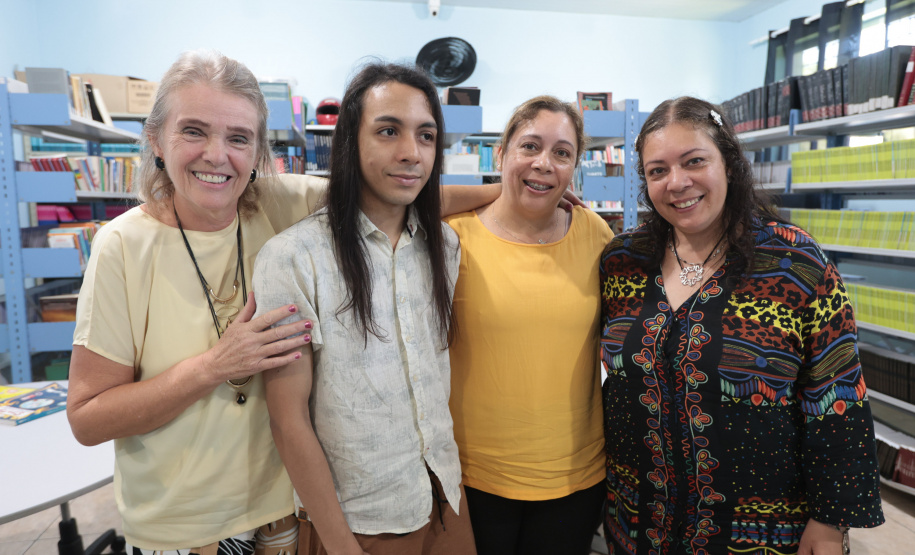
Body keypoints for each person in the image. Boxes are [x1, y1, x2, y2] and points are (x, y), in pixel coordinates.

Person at [66, 51, 498, 554]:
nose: (216, 155)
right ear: (156, 139)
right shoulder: (124, 246)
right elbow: (87, 418)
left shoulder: (274, 202)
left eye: (238, 138)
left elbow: (392, 187)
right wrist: (214, 365)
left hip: (282, 510)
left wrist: (514, 193)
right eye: (193, 131)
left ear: (257, 153)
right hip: (188, 522)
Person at [599, 96, 884, 555]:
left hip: (763, 533)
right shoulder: (623, 261)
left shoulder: (795, 264)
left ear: (729, 164)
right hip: (638, 522)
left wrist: (830, 521)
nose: (677, 182)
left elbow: (838, 395)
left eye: (694, 161)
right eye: (657, 170)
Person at [253, 62, 476, 555]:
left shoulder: (444, 245)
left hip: (444, 497)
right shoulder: (293, 258)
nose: (410, 153)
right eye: (388, 131)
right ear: (351, 141)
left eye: (426, 135)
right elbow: (288, 422)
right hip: (359, 522)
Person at [445, 96, 614, 555]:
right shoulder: (454, 235)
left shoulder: (596, 234)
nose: (544, 163)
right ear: (501, 153)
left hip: (575, 479)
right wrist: (492, 192)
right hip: (473, 477)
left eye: (562, 153)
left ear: (575, 166)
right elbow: (379, 198)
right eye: (530, 147)